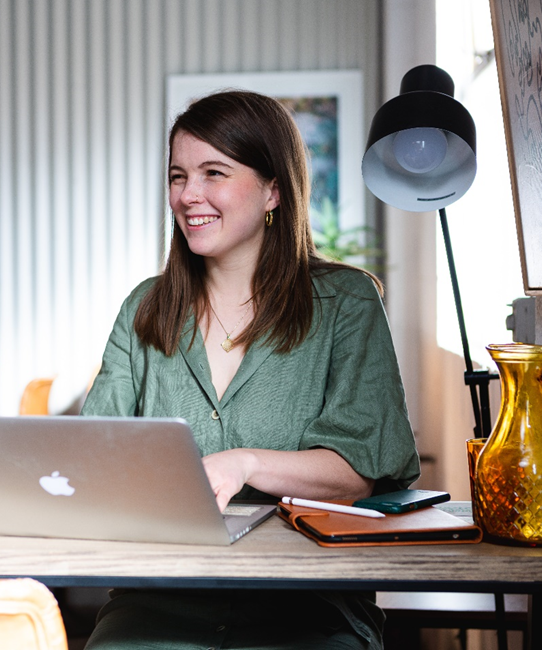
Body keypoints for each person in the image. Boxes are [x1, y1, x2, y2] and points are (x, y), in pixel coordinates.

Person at [80, 90, 420, 650]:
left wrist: (246, 463)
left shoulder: (345, 303)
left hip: (309, 604)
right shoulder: (145, 307)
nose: (189, 195)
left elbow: (360, 469)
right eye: (178, 176)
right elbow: (95, 453)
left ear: (273, 191)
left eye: (214, 173)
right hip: (161, 600)